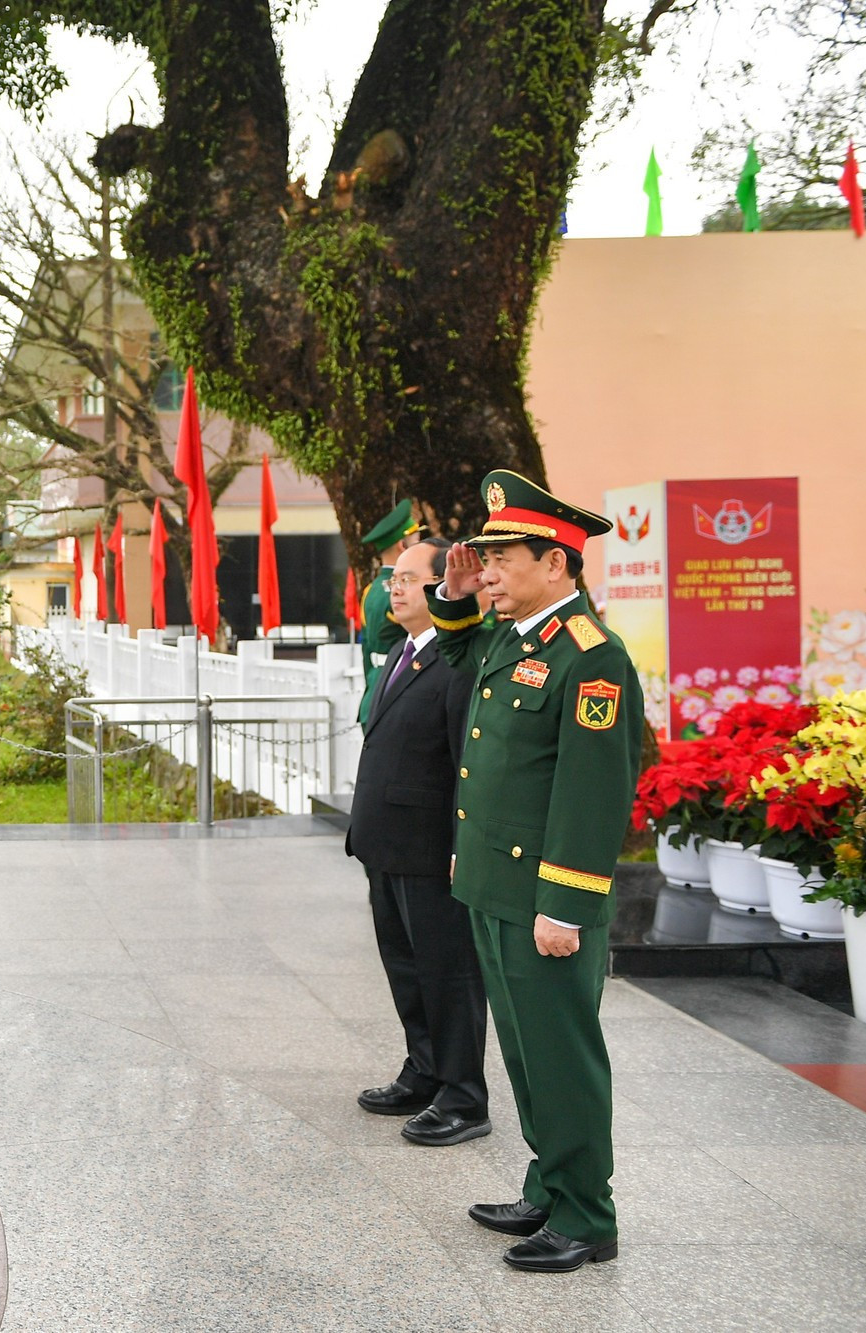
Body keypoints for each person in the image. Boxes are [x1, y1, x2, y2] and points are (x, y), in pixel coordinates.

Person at [425, 469, 643, 1274]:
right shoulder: (516, 639)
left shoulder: (592, 660)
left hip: (544, 899)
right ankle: (548, 1184)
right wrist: (453, 594)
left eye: (500, 555)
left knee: (562, 1051)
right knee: (522, 1049)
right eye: (483, 555)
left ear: (556, 562)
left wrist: (565, 904)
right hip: (493, 885)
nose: (486, 569)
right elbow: (454, 644)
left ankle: (588, 1213)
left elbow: (591, 796)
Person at [345, 537, 488, 1146]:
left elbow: (467, 760)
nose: (395, 588)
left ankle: (463, 1095)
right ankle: (424, 1069)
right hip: (388, 845)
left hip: (431, 848)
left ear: (448, 588)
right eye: (392, 578)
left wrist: (463, 844)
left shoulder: (459, 663)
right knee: (406, 967)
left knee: (447, 973)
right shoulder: (403, 653)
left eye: (409, 578)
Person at [355, 499, 423, 726]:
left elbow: (366, 650)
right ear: (402, 546)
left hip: (375, 687)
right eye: (416, 540)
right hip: (398, 689)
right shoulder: (405, 590)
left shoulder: (370, 590)